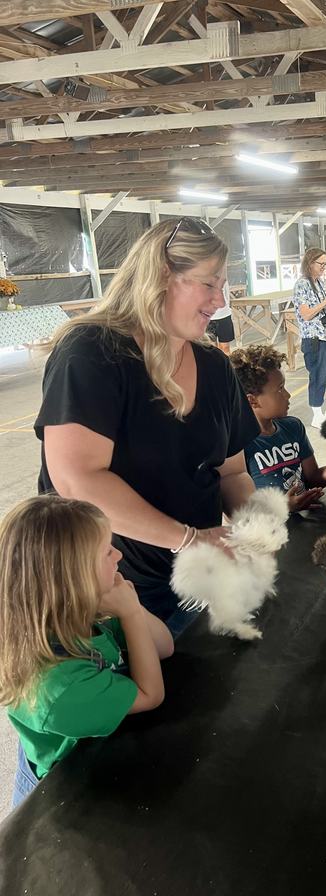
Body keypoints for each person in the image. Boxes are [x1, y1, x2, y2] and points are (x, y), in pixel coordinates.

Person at [34, 217, 260, 635]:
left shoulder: (214, 367)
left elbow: (232, 471)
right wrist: (190, 540)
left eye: (223, 285)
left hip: (197, 584)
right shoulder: (92, 354)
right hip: (105, 595)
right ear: (160, 275)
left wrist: (254, 532)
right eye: (209, 284)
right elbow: (77, 481)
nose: (219, 300)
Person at [0, 496, 174, 808]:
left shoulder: (83, 613)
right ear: (73, 579)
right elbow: (151, 695)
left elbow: (164, 646)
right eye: (108, 551)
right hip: (62, 788)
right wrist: (131, 614)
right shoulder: (60, 688)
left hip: (99, 744)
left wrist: (128, 606)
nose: (119, 554)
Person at [230, 345, 326, 512]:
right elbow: (237, 509)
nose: (288, 395)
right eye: (280, 389)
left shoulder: (293, 427)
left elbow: (313, 478)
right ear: (252, 401)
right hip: (270, 533)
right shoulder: (238, 445)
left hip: (305, 525)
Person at [292, 248, 326, 429]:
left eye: (325, 264)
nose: (324, 267)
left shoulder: (319, 282)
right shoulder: (302, 285)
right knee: (318, 376)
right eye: (320, 264)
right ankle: (316, 414)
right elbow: (306, 314)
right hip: (314, 337)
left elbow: (322, 307)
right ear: (309, 263)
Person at [207, 280, 234, 354]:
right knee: (211, 348)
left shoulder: (222, 278)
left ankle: (226, 365)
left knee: (225, 347)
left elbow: (226, 294)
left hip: (224, 316)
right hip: (208, 317)